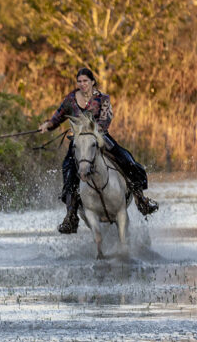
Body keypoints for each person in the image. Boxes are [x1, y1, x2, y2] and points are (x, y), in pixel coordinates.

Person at [39, 67, 158, 234]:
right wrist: (47, 125)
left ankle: (141, 199)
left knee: (127, 159)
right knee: (68, 168)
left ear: (92, 81)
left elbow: (106, 119)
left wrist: (92, 131)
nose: (82, 84)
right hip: (79, 142)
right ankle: (71, 215)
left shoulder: (103, 98)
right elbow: (57, 117)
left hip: (100, 138)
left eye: (85, 81)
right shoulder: (70, 99)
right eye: (79, 81)